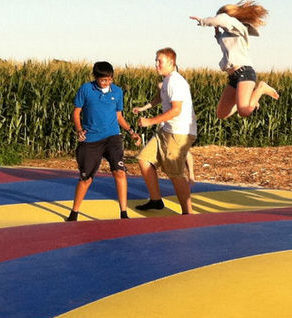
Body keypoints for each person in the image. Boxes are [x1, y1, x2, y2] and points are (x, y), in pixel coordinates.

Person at [67, 61, 140, 222]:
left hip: (113, 137)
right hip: (91, 139)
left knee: (119, 172)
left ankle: (123, 213)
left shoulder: (118, 92)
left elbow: (118, 116)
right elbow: (76, 112)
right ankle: (74, 213)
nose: (107, 82)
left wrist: (131, 132)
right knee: (86, 178)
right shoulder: (86, 89)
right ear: (95, 77)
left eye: (110, 79)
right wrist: (79, 130)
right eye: (103, 80)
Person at [190, 0, 279, 119]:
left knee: (244, 111)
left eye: (219, 16)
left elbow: (221, 20)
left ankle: (261, 88)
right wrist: (218, 36)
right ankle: (247, 98)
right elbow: (229, 48)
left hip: (244, 72)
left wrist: (203, 21)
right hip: (233, 77)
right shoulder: (231, 32)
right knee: (222, 114)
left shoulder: (235, 25)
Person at [132, 48, 196, 215]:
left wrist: (150, 122)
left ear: (171, 63)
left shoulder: (176, 82)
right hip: (167, 130)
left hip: (179, 132)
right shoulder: (166, 81)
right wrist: (144, 107)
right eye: (156, 61)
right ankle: (155, 200)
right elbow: (160, 97)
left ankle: (187, 213)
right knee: (144, 159)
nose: (156, 64)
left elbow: (176, 110)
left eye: (159, 61)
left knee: (175, 174)